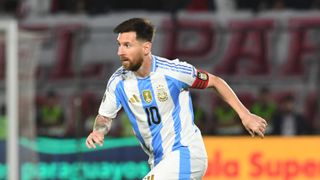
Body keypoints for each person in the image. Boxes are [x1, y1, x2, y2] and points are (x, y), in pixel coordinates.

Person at [85, 18, 267, 179]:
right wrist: (99, 131)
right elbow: (105, 117)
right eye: (119, 45)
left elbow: (215, 82)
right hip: (158, 161)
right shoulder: (118, 81)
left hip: (185, 153)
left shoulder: (173, 72)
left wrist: (245, 115)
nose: (120, 52)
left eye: (127, 45)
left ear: (146, 47)